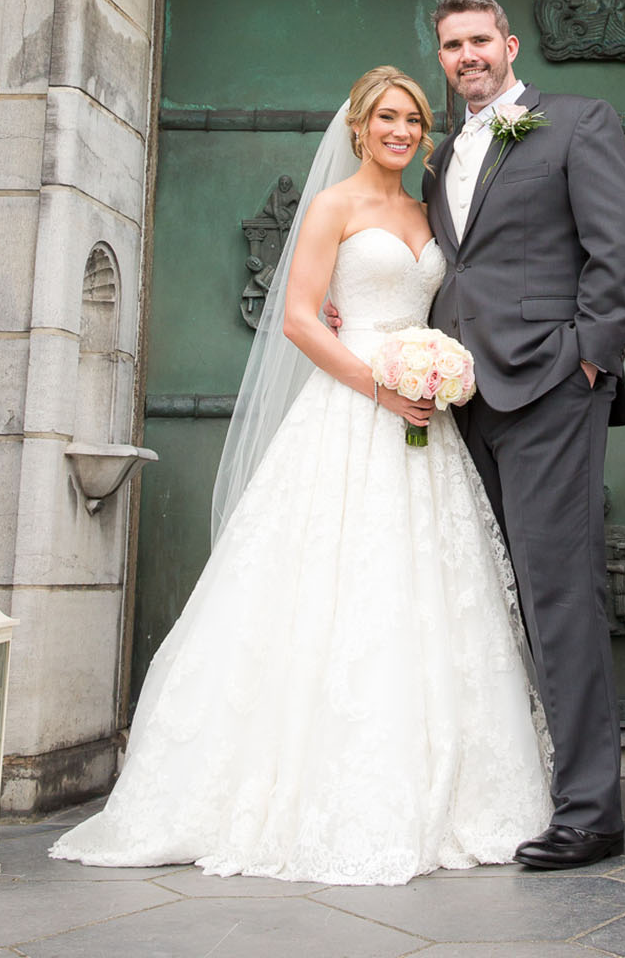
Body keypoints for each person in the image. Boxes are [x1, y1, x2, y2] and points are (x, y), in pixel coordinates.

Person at [50, 67, 551, 885]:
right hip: (353, 411)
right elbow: (297, 318)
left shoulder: (428, 212)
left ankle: (452, 788)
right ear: (358, 126)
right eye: (388, 117)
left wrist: (431, 376)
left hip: (425, 424)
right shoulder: (334, 207)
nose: (402, 130)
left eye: (415, 120)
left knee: (426, 593)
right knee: (331, 586)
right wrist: (381, 388)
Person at [425, 0, 625, 869]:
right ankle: (517, 787)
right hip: (462, 401)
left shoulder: (576, 122)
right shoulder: (443, 154)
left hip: (551, 391)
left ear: (510, 45)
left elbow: (618, 249)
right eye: (453, 45)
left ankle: (592, 812)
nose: (468, 55)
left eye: (481, 40)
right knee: (490, 600)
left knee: (561, 596)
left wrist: (588, 359)